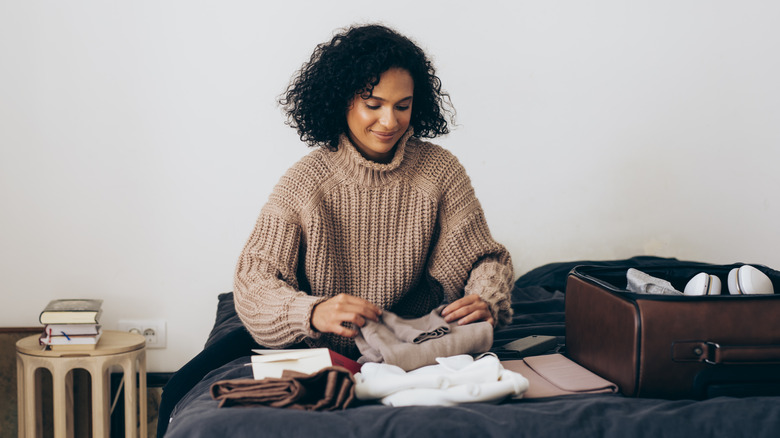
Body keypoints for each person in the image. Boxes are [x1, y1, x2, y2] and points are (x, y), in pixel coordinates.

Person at [234, 24, 514, 359]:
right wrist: (309, 312)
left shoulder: (440, 171)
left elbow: (486, 259)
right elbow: (253, 282)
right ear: (343, 101)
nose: (389, 121)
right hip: (330, 353)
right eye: (374, 104)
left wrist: (486, 297)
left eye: (402, 105)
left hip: (419, 344)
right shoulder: (305, 182)